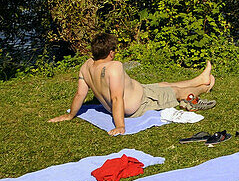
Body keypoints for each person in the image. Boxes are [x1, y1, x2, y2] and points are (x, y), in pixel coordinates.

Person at [48, 33, 215, 136]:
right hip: (142, 102)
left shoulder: (86, 66)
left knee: (163, 84)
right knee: (175, 92)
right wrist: (120, 125)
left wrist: (70, 115)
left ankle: (198, 79)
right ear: (111, 52)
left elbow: (80, 95)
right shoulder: (114, 67)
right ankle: (205, 86)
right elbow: (116, 97)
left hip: (142, 91)